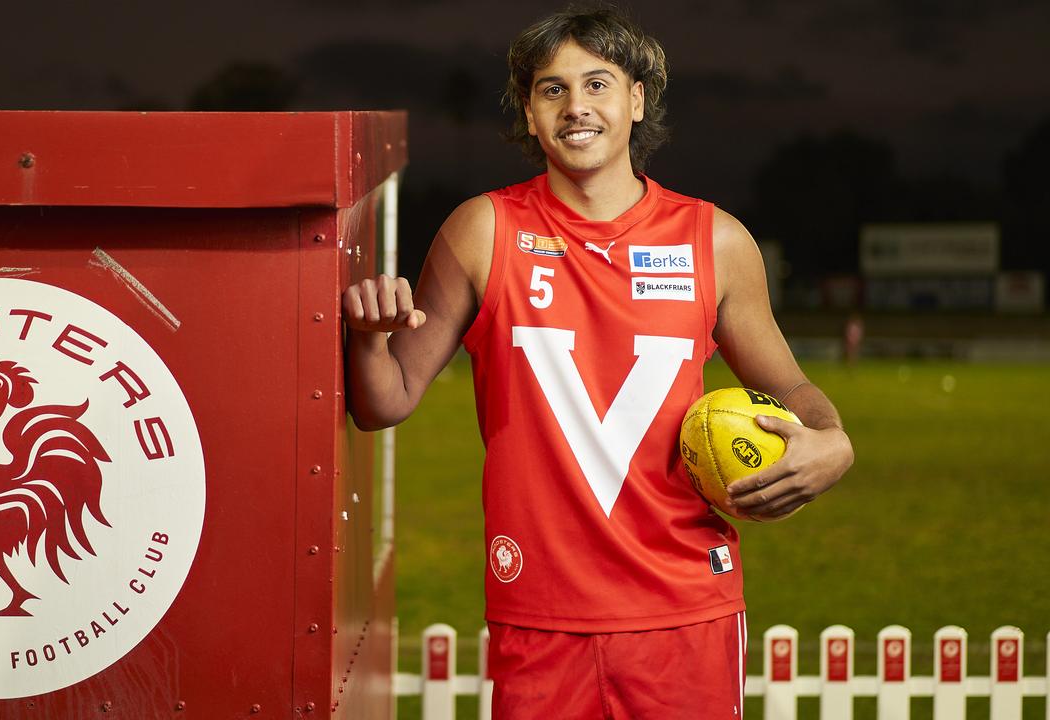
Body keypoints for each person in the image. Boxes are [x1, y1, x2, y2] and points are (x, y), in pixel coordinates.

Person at [343, 6, 854, 718]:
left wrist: (833, 441)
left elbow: (790, 386)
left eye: (597, 83)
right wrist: (369, 337)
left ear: (636, 99)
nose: (575, 106)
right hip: (540, 614)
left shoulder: (715, 241)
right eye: (552, 89)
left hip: (684, 611)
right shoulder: (483, 230)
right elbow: (385, 401)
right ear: (529, 110)